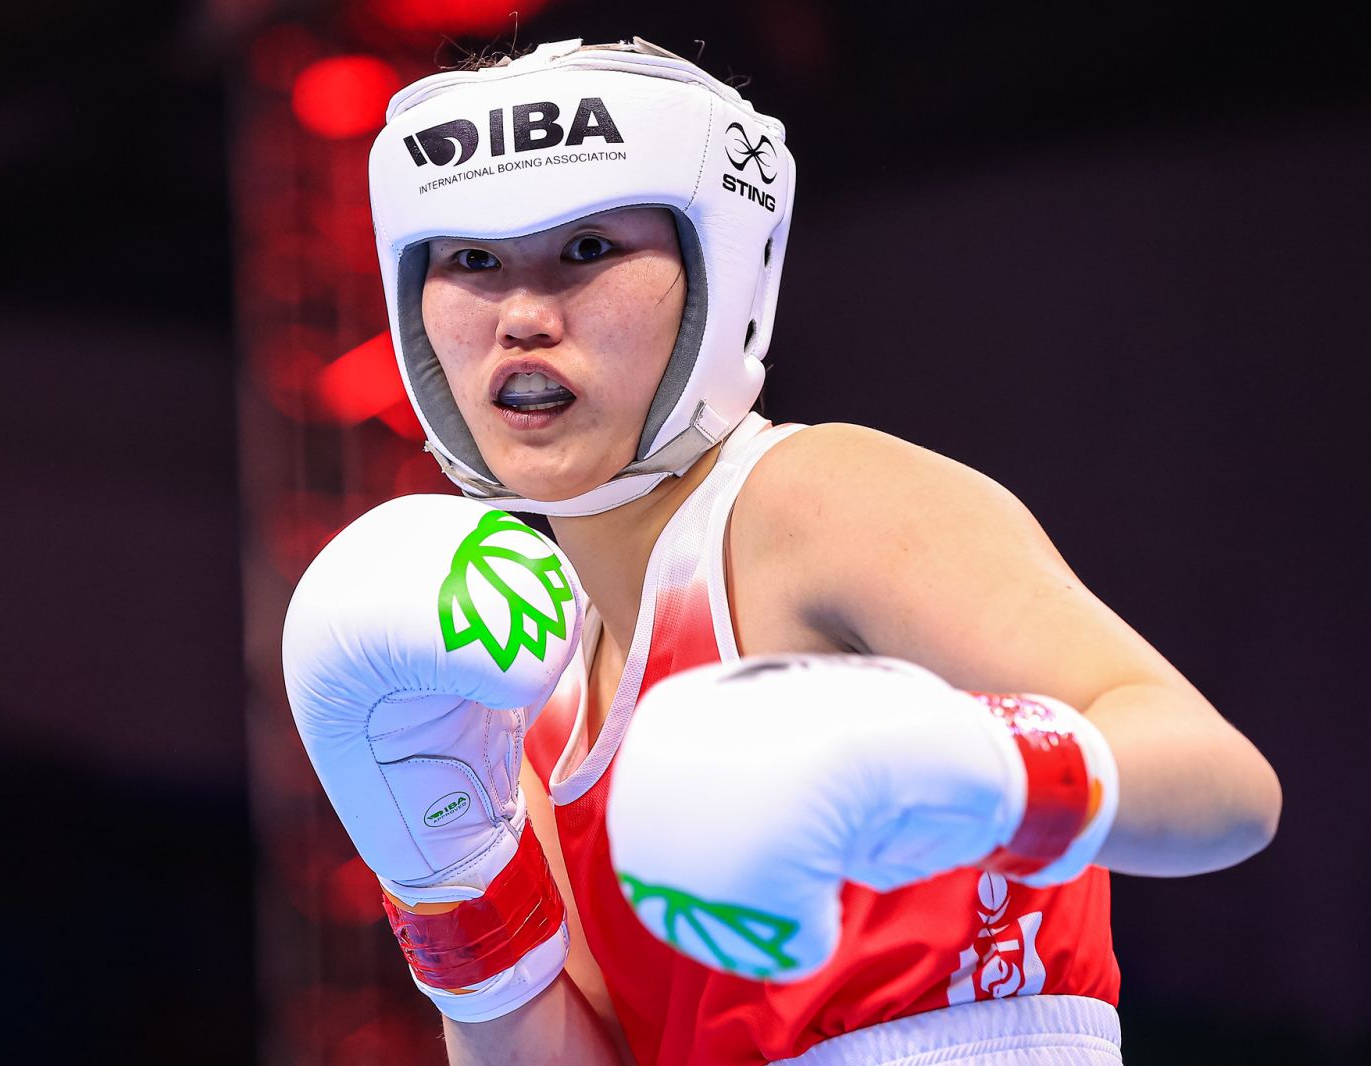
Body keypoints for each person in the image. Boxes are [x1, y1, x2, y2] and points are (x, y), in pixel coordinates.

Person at [283, 38, 1281, 1065]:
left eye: (587, 247)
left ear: (714, 273)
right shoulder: (522, 697)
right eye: (472, 261)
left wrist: (945, 763)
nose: (525, 317)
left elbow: (1225, 787)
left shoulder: (813, 501)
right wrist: (452, 889)